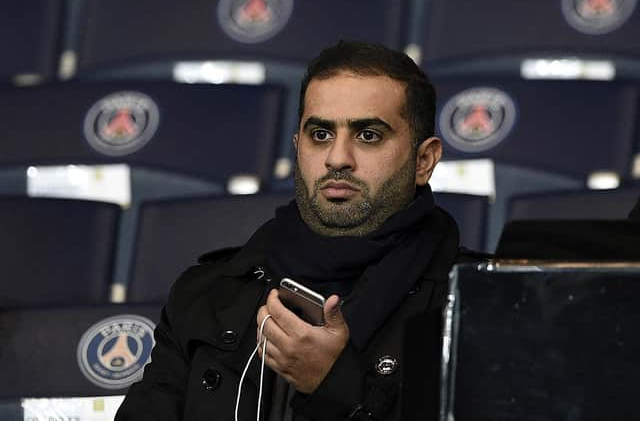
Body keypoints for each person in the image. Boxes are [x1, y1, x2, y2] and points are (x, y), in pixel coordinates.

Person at [116, 40, 470, 420]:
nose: (337, 158)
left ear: (424, 160)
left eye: (368, 135)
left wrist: (335, 387)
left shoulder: (476, 307)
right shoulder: (207, 293)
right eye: (321, 135)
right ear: (297, 147)